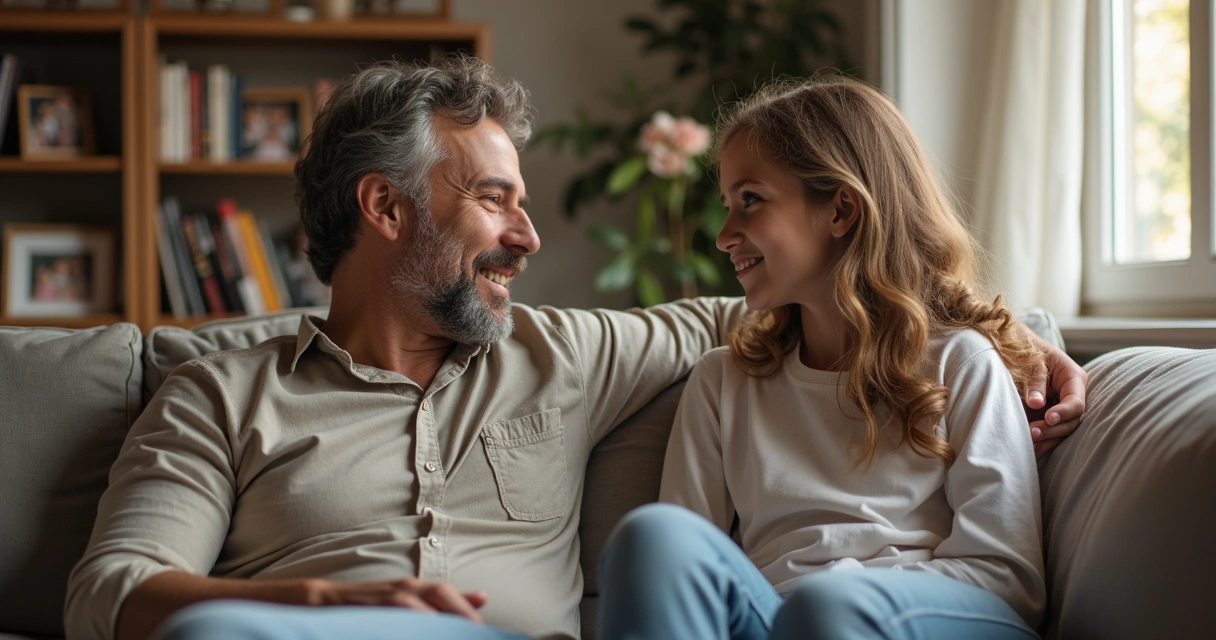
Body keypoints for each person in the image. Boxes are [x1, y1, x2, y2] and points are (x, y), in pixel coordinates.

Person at [64, 58, 1085, 640]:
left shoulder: (569, 351)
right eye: (496, 200)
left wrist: (1021, 335)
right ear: (383, 206)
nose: (529, 238)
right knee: (210, 636)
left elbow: (838, 289)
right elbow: (109, 588)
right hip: (312, 634)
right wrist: (317, 596)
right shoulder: (219, 390)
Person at [597, 77, 1054, 640]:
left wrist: (840, 592)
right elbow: (693, 576)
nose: (723, 236)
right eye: (727, 205)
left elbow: (1009, 578)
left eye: (751, 201)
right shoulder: (724, 380)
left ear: (841, 210)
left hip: (917, 614)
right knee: (652, 536)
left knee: (829, 607)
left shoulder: (960, 363)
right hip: (774, 617)